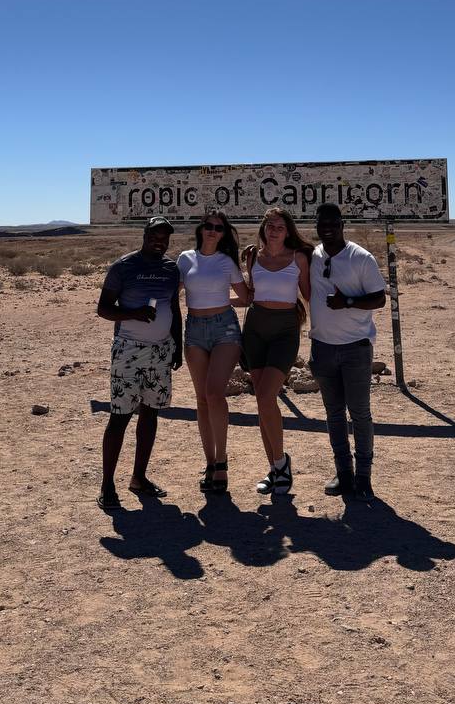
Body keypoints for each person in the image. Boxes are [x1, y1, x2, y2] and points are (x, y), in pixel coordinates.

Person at [95, 216, 182, 511]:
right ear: (144, 236)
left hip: (161, 351)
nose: (160, 241)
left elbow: (174, 309)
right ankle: (107, 485)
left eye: (164, 238)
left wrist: (178, 347)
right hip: (128, 350)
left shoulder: (171, 269)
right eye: (154, 236)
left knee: (150, 414)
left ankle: (139, 478)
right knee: (120, 416)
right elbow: (103, 309)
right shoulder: (123, 266)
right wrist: (133, 314)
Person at [309, 204, 387, 499]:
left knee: (360, 413)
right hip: (322, 347)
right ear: (316, 226)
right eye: (322, 223)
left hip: (355, 348)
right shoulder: (314, 256)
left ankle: (363, 477)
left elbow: (379, 299)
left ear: (342, 224)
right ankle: (343, 473)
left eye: (333, 223)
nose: (328, 228)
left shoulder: (361, 258)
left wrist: (349, 302)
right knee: (334, 414)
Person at [177, 210, 251, 495]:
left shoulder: (226, 262)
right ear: (201, 229)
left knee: (214, 393)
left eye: (219, 228)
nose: (212, 231)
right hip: (194, 329)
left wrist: (222, 300)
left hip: (225, 329)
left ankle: (222, 461)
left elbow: (245, 297)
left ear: (223, 234)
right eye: (208, 226)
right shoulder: (185, 259)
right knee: (202, 399)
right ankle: (209, 462)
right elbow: (172, 291)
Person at [241, 206, 311, 495]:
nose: (274, 231)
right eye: (270, 225)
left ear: (288, 231)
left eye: (280, 227)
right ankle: (274, 468)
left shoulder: (298, 258)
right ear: (264, 228)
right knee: (262, 401)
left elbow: (310, 294)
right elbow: (250, 293)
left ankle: (281, 462)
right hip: (255, 330)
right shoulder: (253, 256)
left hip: (285, 331)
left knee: (266, 395)